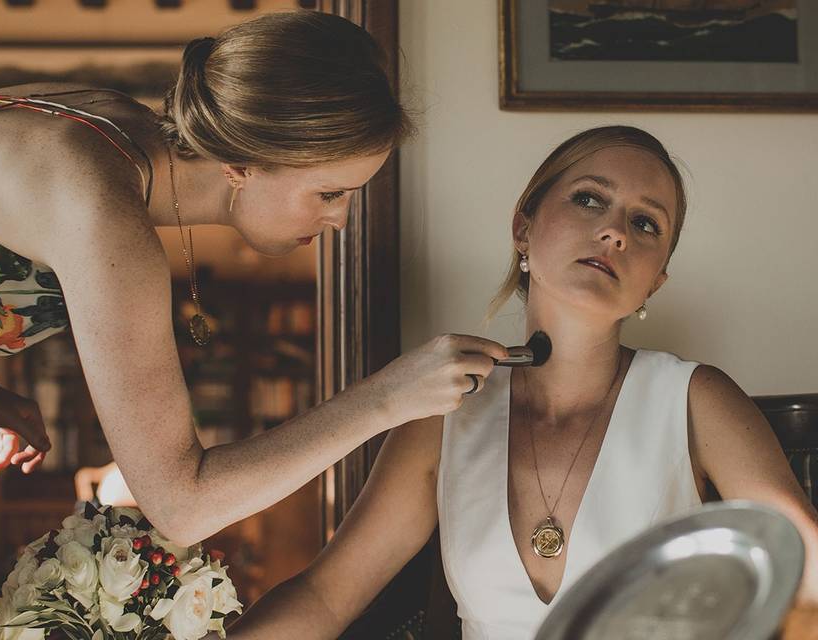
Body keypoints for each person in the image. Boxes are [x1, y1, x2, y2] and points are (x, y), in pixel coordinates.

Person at [0, 11, 508, 637]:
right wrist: (389, 396)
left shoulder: (104, 119)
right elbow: (181, 503)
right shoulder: (102, 209)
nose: (339, 221)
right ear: (242, 165)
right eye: (330, 193)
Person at [219, 126, 818, 639]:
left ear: (654, 283)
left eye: (645, 223)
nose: (615, 233)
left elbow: (810, 580)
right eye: (589, 199)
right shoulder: (445, 410)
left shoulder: (696, 399)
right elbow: (328, 596)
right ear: (523, 228)